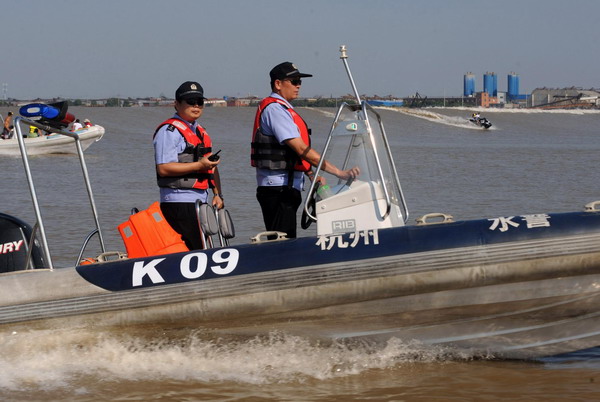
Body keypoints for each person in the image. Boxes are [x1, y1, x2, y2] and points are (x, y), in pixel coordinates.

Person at [251, 62, 359, 238]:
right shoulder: (275, 110)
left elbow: (291, 152)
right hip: (278, 190)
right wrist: (339, 172)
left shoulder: (283, 108)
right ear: (278, 84)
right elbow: (301, 149)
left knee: (286, 240)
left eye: (299, 81)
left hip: (286, 187)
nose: (298, 85)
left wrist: (312, 176)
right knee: (281, 245)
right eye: (293, 81)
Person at [153, 81, 223, 250]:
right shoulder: (168, 131)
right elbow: (163, 168)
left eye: (200, 102)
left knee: (202, 249)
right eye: (190, 102)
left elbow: (211, 166)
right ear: (176, 104)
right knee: (190, 252)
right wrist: (199, 165)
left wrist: (218, 194)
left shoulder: (199, 131)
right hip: (178, 203)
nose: (196, 106)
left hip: (200, 201)